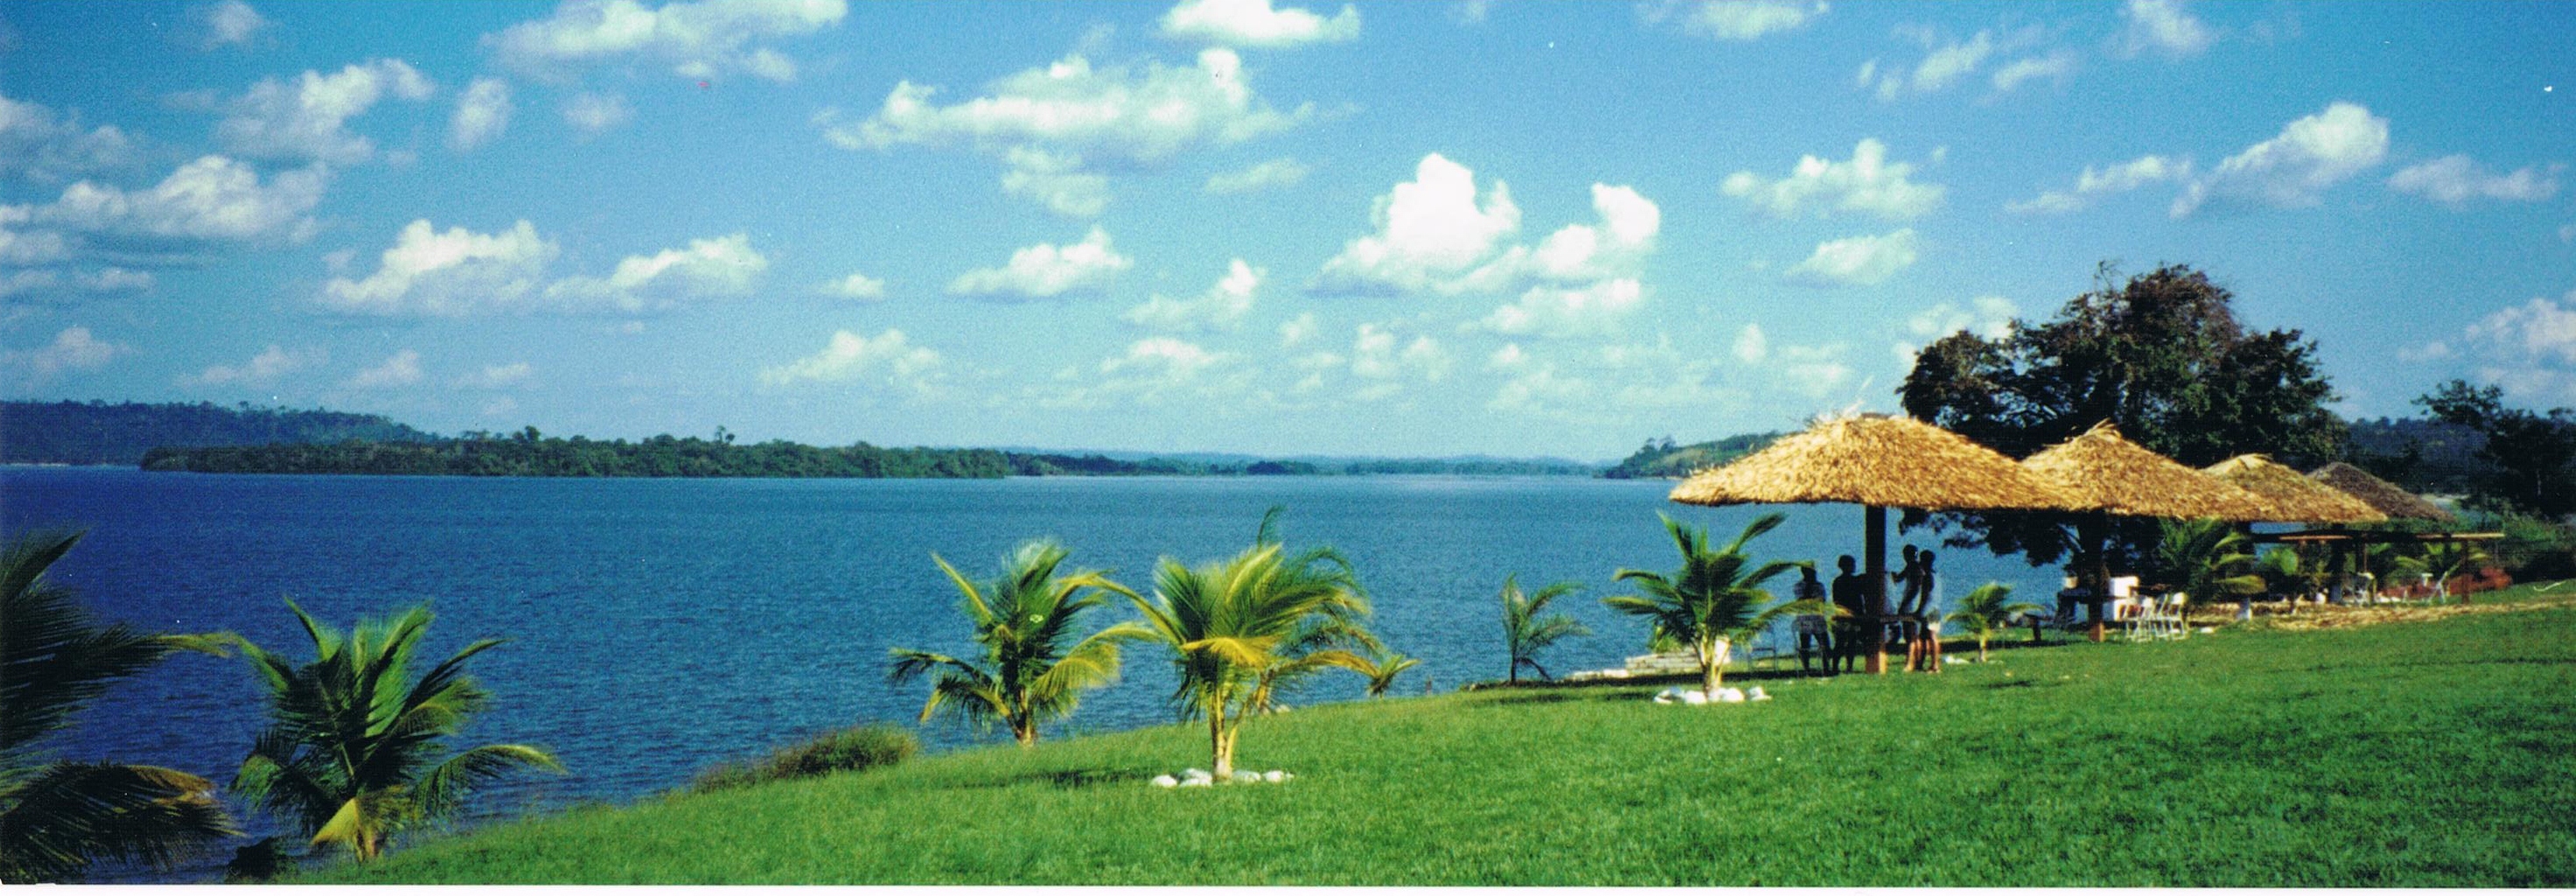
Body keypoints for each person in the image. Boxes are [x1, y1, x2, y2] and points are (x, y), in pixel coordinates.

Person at [1827, 555, 1866, 673]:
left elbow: (1836, 600)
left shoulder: (1837, 581)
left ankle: (1836, 666)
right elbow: (1860, 597)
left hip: (1842, 614)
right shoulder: (1855, 581)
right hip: (1852, 615)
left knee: (1841, 642)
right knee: (1850, 642)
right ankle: (1848, 667)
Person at [1791, 564, 1831, 675]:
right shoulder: (1798, 586)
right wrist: (1809, 587)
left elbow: (1821, 601)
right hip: (1805, 619)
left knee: (1825, 645)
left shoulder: (1819, 586)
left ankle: (1826, 668)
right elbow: (1802, 601)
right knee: (1805, 645)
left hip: (1818, 618)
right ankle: (1806, 669)